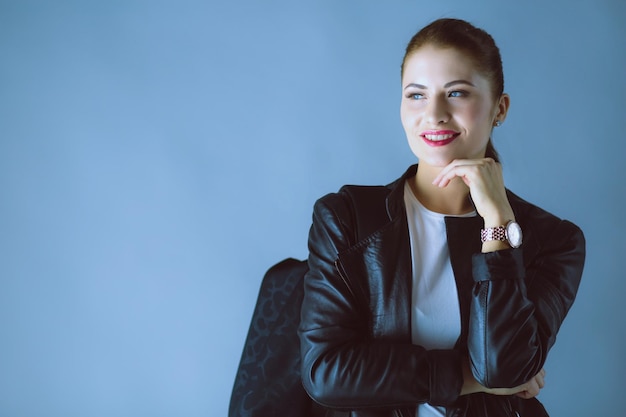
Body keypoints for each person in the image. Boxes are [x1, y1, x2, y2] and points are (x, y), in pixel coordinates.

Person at [298, 18, 585, 417]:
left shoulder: (553, 240)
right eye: (416, 95)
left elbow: (503, 368)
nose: (433, 114)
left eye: (456, 93)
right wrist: (467, 376)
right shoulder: (346, 218)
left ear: (499, 108)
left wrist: (498, 222)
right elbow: (325, 372)